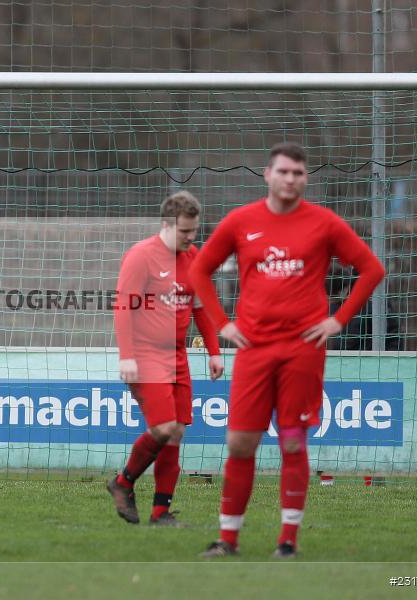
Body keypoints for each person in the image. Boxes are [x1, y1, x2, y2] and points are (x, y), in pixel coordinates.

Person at [189, 142, 385, 558]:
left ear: (305, 178)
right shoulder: (242, 221)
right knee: (241, 443)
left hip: (302, 350)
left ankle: (287, 542)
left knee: (293, 442)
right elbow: (199, 270)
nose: (290, 179)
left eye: (298, 173)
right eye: (284, 172)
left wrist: (338, 320)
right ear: (268, 174)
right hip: (254, 350)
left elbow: (372, 269)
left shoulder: (324, 223)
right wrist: (224, 324)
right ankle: (228, 540)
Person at [107, 191, 224, 526]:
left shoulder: (193, 258)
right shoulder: (141, 256)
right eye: (185, 232)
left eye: (195, 231)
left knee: (175, 434)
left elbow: (202, 309)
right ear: (167, 225)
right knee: (163, 428)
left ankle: (160, 512)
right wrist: (127, 356)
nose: (191, 237)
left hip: (177, 356)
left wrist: (214, 353)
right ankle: (123, 482)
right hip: (145, 354)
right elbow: (123, 308)